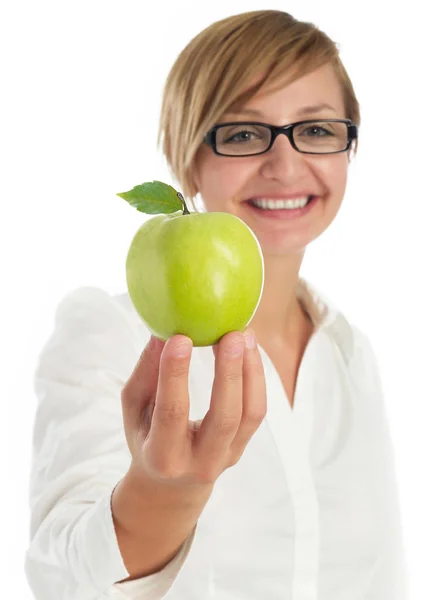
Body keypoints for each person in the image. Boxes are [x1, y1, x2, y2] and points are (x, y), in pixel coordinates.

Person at [24, 9, 408, 600]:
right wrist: (162, 493)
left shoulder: (351, 353)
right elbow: (62, 578)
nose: (285, 165)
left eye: (316, 129)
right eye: (244, 134)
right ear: (186, 156)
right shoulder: (111, 335)